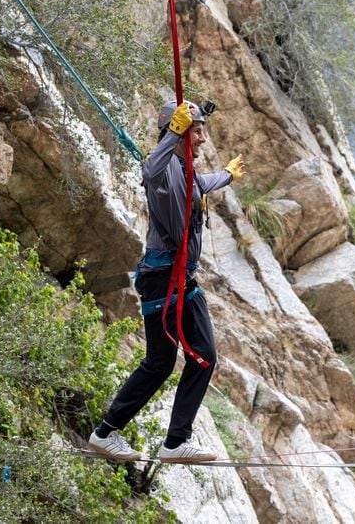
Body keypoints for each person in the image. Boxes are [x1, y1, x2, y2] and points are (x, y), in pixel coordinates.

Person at [88, 100, 245, 463]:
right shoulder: (162, 168)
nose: (203, 138)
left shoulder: (183, 168)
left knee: (205, 357)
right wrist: (175, 131)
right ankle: (105, 432)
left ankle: (176, 441)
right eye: (198, 130)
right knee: (159, 363)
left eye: (202, 130)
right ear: (178, 131)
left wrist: (227, 175)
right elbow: (150, 167)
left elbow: (201, 184)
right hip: (162, 280)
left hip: (183, 281)